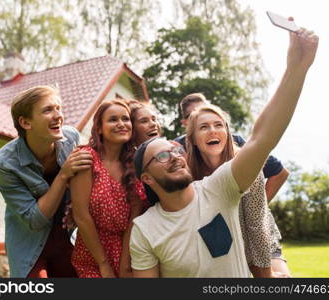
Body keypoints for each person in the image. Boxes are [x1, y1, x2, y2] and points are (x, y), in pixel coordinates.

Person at [129, 26, 318, 277]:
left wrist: (296, 69)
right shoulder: (144, 230)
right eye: (162, 155)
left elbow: (262, 138)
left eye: (175, 150)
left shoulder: (217, 189)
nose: (174, 155)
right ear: (147, 178)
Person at [0, 85, 93, 277]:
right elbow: (34, 220)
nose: (58, 116)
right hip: (29, 245)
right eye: (48, 110)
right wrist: (63, 175)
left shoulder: (70, 138)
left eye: (58, 108)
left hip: (67, 238)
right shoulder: (4, 164)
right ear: (25, 122)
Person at [185, 104, 289, 277]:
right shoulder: (189, 176)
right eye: (204, 127)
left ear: (227, 132)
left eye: (219, 125)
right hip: (223, 252)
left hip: (261, 246)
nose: (212, 131)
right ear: (193, 139)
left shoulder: (246, 166)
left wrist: (267, 274)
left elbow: (257, 225)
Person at [70, 99, 147, 278]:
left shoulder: (134, 163)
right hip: (92, 252)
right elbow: (81, 216)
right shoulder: (87, 158)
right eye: (113, 120)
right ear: (99, 128)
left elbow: (133, 219)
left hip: (128, 250)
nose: (121, 124)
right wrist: (103, 264)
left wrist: (125, 264)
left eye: (125, 119)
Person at [175, 93, 290, 202]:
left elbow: (279, 172)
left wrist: (260, 205)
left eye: (207, 110)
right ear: (185, 123)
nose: (203, 115)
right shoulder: (176, 150)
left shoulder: (237, 143)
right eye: (194, 114)